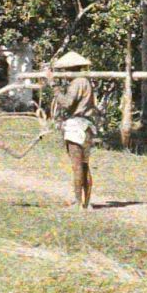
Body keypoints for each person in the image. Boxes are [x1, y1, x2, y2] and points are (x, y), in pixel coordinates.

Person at [53, 69, 97, 210]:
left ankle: (78, 204)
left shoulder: (77, 82)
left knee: (77, 165)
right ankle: (86, 203)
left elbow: (67, 103)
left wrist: (54, 87)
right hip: (86, 127)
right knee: (84, 165)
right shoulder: (85, 81)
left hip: (77, 126)